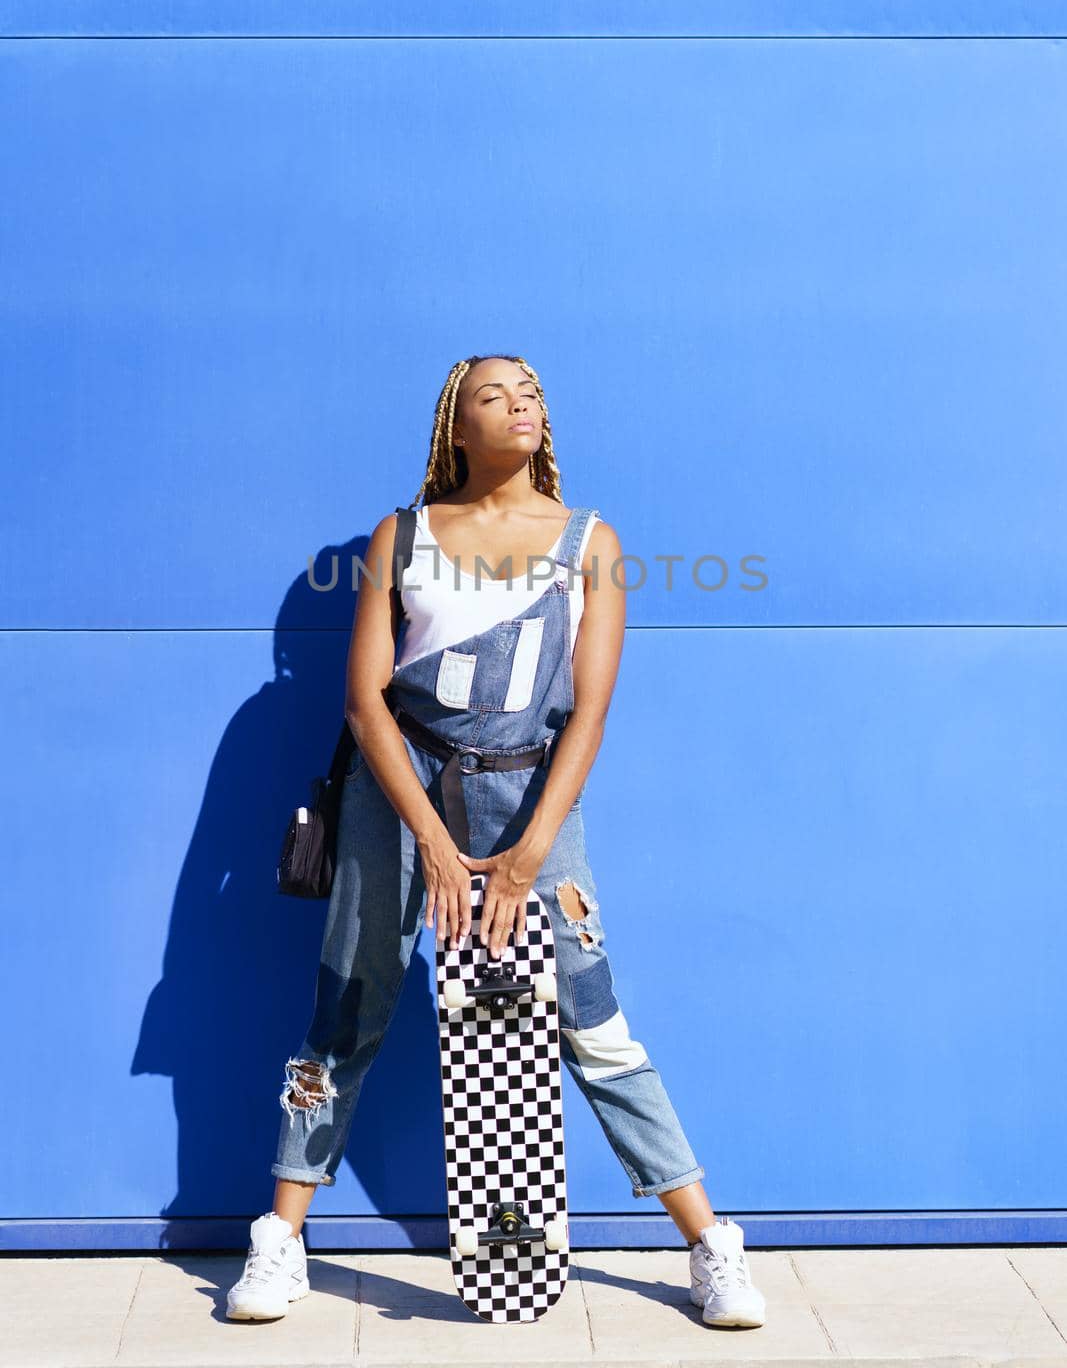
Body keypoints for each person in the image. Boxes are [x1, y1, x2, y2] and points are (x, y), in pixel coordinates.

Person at [227, 354, 766, 1329]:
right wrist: (431, 841)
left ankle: (707, 1243)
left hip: (533, 808)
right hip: (397, 807)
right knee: (345, 1014)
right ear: (455, 429)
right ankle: (280, 1237)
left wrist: (526, 854)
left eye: (531, 392)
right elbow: (365, 701)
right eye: (493, 393)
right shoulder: (402, 536)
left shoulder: (589, 541)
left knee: (593, 1024)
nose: (520, 403)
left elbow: (588, 715)